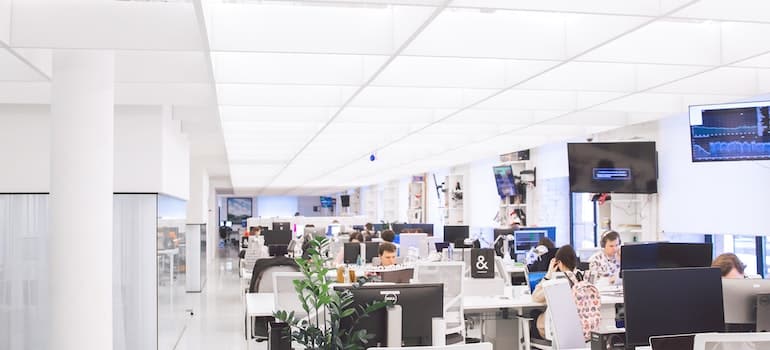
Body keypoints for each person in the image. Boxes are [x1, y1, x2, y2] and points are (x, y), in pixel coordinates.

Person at [531, 245, 583, 338]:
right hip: (578, 332)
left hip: (555, 333)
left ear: (559, 263)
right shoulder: (581, 280)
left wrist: (548, 274)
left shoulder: (556, 283)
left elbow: (535, 297)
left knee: (533, 313)